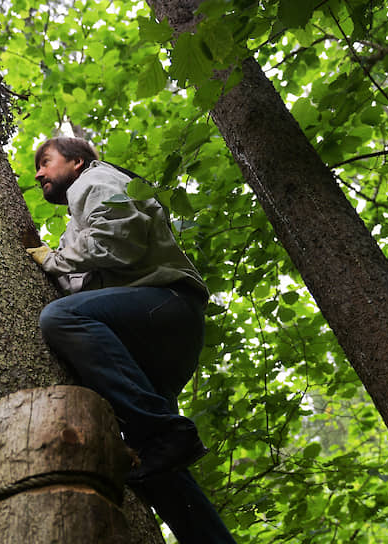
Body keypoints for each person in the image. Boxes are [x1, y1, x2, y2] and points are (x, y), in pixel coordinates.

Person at [26, 136, 235, 543]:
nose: (38, 173)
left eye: (46, 162)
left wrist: (52, 259)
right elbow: (91, 279)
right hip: (151, 340)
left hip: (165, 305)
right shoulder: (76, 218)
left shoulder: (95, 179)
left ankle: (167, 430)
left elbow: (116, 241)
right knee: (154, 468)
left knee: (60, 318)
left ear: (77, 162)